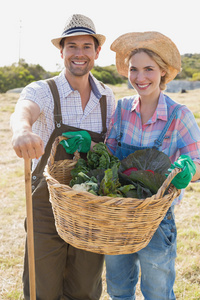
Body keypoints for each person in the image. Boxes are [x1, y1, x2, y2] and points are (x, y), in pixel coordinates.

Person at [10, 14, 115, 300]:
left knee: (85, 286)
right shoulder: (43, 90)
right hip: (46, 205)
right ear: (61, 52)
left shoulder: (108, 97)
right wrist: (22, 131)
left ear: (96, 52)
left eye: (86, 46)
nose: (79, 53)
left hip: (90, 205)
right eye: (72, 46)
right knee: (42, 286)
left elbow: (110, 149)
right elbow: (23, 112)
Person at [105, 31, 200, 300]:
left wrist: (188, 170)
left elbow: (198, 160)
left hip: (156, 221)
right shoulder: (121, 109)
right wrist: (89, 145)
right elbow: (110, 155)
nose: (140, 77)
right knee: (119, 290)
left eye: (149, 69)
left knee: (157, 293)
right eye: (134, 70)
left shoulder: (178, 115)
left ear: (163, 73)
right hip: (117, 216)